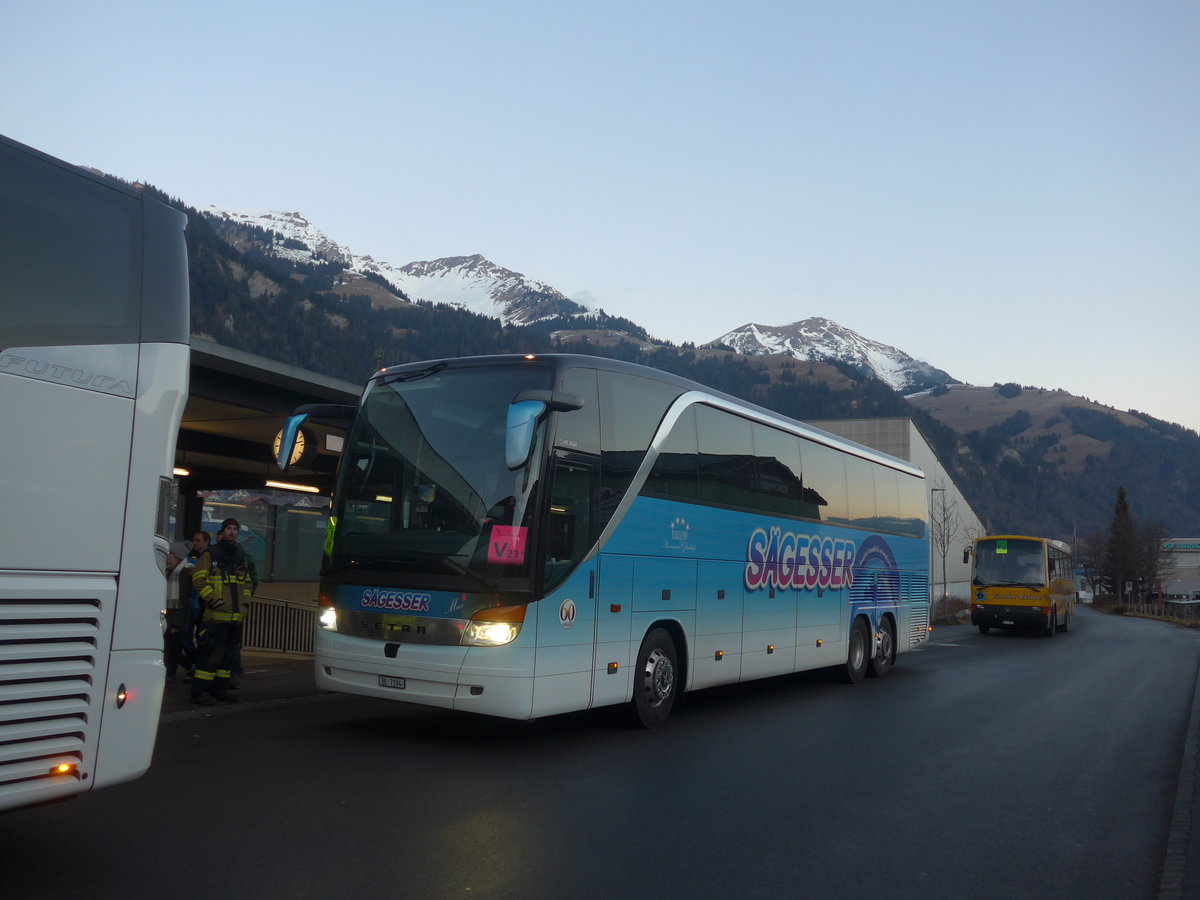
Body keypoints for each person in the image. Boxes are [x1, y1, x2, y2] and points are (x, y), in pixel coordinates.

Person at [190, 518, 253, 705]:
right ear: (222, 532)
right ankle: (200, 693)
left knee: (227, 658)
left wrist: (245, 603)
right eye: (229, 529)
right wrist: (214, 601)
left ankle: (220, 690)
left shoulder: (241, 555)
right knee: (210, 656)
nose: (232, 532)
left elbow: (247, 583)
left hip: (235, 616)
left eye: (235, 529)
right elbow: (199, 580)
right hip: (215, 617)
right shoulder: (211, 555)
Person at [164, 541, 194, 680]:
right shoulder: (170, 571)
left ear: (179, 557)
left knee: (174, 649)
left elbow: (182, 599)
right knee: (172, 648)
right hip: (170, 616)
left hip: (177, 618)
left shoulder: (184, 572)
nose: (168, 556)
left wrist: (176, 624)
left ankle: (191, 667)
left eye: (171, 554)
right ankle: (172, 672)